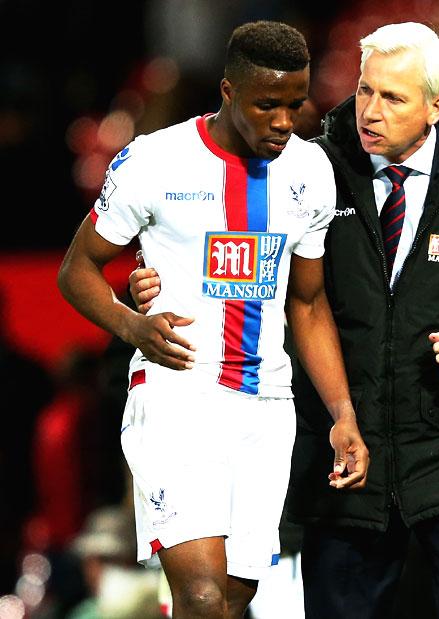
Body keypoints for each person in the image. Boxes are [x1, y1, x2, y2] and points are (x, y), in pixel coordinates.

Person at [130, 21, 439, 619]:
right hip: (347, 460)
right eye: (365, 90)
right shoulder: (311, 167)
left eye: (392, 98)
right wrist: (158, 275)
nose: (369, 110)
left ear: (435, 106)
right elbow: (240, 251)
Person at [57, 21, 369, 619]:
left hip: (267, 407)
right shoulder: (155, 161)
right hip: (180, 395)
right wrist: (131, 326)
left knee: (229, 601)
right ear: (228, 92)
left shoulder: (310, 173)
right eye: (267, 105)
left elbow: (307, 305)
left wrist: (342, 414)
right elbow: (77, 270)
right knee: (201, 596)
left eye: (295, 105)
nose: (283, 121)